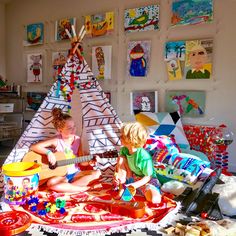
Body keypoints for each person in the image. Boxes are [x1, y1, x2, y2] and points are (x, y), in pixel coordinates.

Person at [30, 108, 101, 193]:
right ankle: (83, 189)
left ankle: (68, 188)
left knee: (97, 173)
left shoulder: (78, 139)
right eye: (69, 128)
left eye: (74, 126)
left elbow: (81, 162)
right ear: (60, 130)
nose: (74, 129)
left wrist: (89, 162)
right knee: (51, 183)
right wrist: (48, 153)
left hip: (75, 173)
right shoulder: (56, 140)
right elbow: (34, 147)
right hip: (61, 176)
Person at [113, 122, 162, 204]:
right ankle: (122, 189)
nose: (120, 137)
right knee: (121, 158)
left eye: (123, 136)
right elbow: (120, 166)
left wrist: (135, 185)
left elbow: (148, 177)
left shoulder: (144, 156)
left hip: (146, 180)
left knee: (154, 200)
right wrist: (117, 175)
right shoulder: (124, 150)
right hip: (132, 177)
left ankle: (137, 189)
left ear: (131, 139)